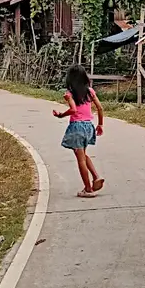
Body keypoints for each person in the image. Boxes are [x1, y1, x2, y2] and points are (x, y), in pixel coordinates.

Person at [53, 64, 105, 198]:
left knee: (80, 159)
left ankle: (88, 189)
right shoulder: (90, 91)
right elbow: (100, 108)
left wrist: (61, 115)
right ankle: (96, 177)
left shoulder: (69, 94)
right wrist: (100, 124)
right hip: (89, 126)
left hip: (77, 126)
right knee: (83, 154)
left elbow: (73, 110)